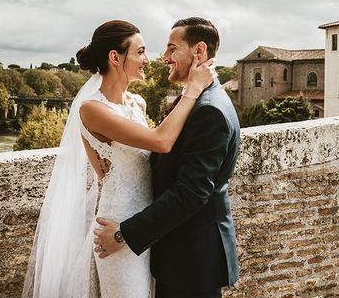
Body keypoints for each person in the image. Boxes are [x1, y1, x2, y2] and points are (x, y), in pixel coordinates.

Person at [21, 19, 215, 298]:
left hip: (146, 225)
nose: (148, 60)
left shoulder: (138, 103)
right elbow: (161, 141)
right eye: (140, 52)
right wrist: (193, 90)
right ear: (115, 57)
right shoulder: (92, 110)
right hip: (119, 224)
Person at [94, 17, 240, 298]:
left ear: (198, 52)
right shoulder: (198, 99)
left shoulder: (209, 110)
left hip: (192, 259)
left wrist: (124, 234)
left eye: (172, 49)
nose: (164, 57)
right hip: (177, 253)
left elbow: (191, 192)